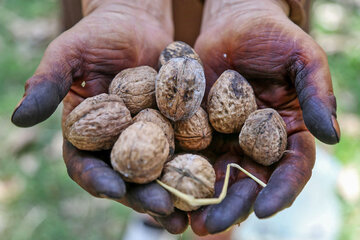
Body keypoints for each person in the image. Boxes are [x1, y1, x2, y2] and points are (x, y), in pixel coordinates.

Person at [11, 0, 340, 236]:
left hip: (234, 37)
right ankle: (160, 216)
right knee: (173, 193)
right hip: (137, 31)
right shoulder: (142, 100)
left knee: (222, 189)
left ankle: (214, 227)